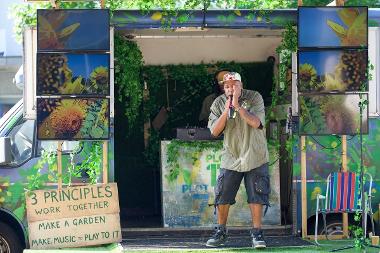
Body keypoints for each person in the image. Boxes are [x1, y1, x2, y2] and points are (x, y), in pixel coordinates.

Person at [206, 72, 270, 249]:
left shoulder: (254, 97)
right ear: (223, 87)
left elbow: (257, 123)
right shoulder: (219, 103)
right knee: (222, 194)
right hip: (231, 156)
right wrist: (227, 109)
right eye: (227, 86)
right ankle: (221, 231)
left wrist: (239, 107)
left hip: (255, 154)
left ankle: (257, 234)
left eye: (234, 85)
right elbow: (214, 131)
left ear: (241, 85)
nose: (230, 88)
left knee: (257, 194)